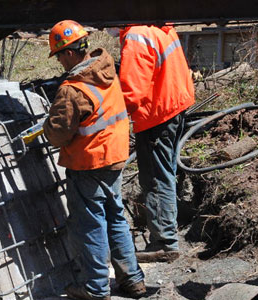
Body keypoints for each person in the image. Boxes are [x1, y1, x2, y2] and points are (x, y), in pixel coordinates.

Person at [43, 20, 150, 300]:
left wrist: (46, 126)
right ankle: (133, 280)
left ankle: (95, 288)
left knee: (90, 225)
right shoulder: (106, 69)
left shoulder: (72, 90)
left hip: (88, 164)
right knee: (115, 217)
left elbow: (57, 135)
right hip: (114, 157)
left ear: (67, 53)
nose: (60, 64)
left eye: (59, 57)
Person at [117, 24, 195, 261]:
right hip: (173, 106)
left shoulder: (137, 36)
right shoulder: (158, 26)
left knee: (155, 178)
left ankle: (164, 242)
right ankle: (167, 235)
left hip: (156, 114)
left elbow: (131, 92)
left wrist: (106, 114)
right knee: (165, 174)